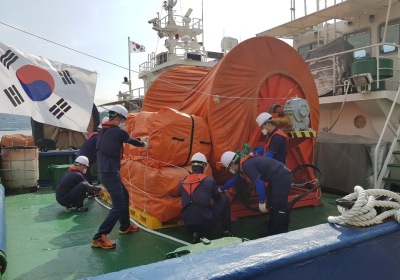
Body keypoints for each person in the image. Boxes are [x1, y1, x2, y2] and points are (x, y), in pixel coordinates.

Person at [91, 104, 148, 250]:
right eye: (122, 119)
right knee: (118, 206)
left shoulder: (103, 130)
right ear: (117, 117)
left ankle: (125, 226)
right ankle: (99, 237)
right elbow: (130, 140)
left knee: (124, 195)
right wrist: (143, 144)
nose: (123, 122)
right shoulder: (117, 131)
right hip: (110, 173)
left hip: (105, 172)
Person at [220, 151, 292, 236]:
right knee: (272, 203)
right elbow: (233, 181)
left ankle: (277, 234)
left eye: (229, 168)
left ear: (232, 165)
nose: (230, 170)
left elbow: (259, 183)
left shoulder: (246, 166)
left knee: (278, 205)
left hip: (282, 176)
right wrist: (220, 189)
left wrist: (261, 201)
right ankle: (274, 228)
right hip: (278, 176)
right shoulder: (242, 167)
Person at [179, 152, 232, 243]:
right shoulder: (209, 180)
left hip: (188, 226)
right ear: (204, 166)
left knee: (193, 205)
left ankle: (195, 233)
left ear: (192, 166)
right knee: (224, 199)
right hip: (206, 225)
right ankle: (226, 232)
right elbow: (218, 198)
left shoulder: (181, 182)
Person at [76, 117, 109, 198]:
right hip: (83, 159)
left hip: (83, 157)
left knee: (87, 176)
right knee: (87, 177)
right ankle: (90, 193)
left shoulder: (95, 137)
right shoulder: (98, 138)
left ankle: (90, 192)